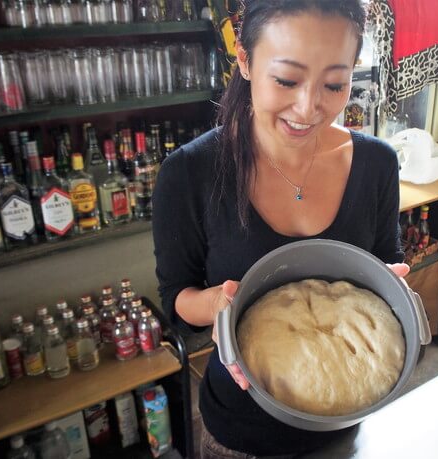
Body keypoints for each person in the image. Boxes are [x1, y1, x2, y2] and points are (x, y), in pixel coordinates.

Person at [152, 1, 409, 457]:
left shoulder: (377, 165)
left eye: (334, 83)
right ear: (246, 61)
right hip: (240, 432)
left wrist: (394, 285)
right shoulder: (189, 174)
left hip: (349, 418)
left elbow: (383, 265)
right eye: (286, 80)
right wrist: (220, 305)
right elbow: (177, 301)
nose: (309, 107)